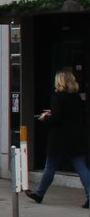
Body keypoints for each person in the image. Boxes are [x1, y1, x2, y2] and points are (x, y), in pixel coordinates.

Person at [26, 70, 90, 208]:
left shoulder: (58, 96)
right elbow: (72, 115)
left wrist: (46, 117)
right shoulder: (77, 97)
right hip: (76, 136)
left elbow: (57, 118)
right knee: (82, 168)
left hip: (59, 138)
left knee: (50, 166)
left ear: (59, 82)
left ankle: (39, 193)